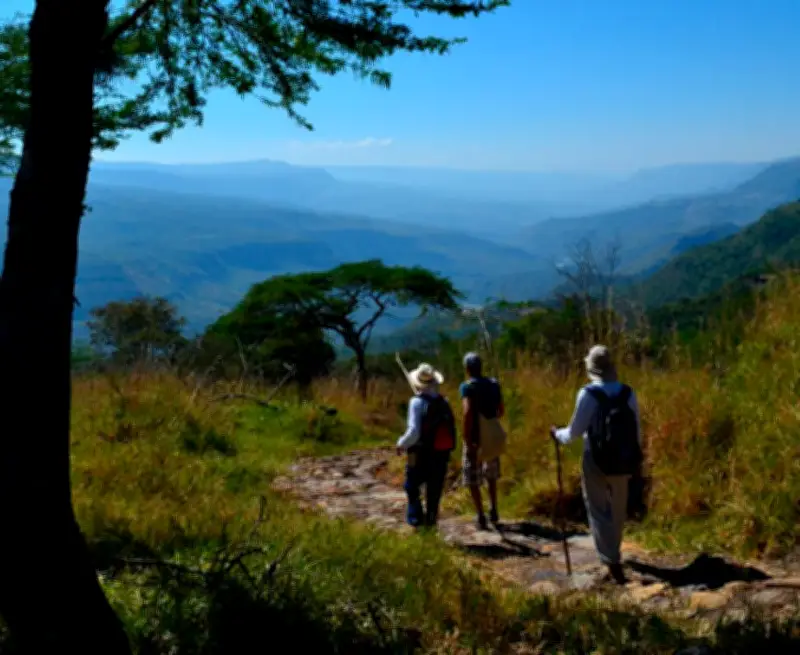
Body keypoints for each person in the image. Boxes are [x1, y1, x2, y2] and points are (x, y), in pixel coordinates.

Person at [549, 345, 642, 584]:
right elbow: (637, 430)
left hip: (596, 459)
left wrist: (557, 434)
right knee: (618, 507)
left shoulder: (588, 394)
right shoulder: (627, 392)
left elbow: (574, 432)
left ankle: (610, 559)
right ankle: (615, 551)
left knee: (598, 508)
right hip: (624, 458)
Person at [396, 362, 456, 529]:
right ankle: (431, 522)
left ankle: (416, 519)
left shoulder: (416, 402)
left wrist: (401, 443)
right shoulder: (444, 403)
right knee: (434, 490)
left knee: (411, 486)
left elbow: (414, 431)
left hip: (420, 453)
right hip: (441, 453)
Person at [459, 352, 505, 530]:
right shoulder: (494, 385)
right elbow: (501, 411)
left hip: (476, 437)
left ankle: (480, 515)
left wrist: (467, 437)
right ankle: (494, 508)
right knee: (491, 474)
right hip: (492, 435)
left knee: (472, 477)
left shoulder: (467, 387)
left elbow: (467, 412)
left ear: (468, 369)